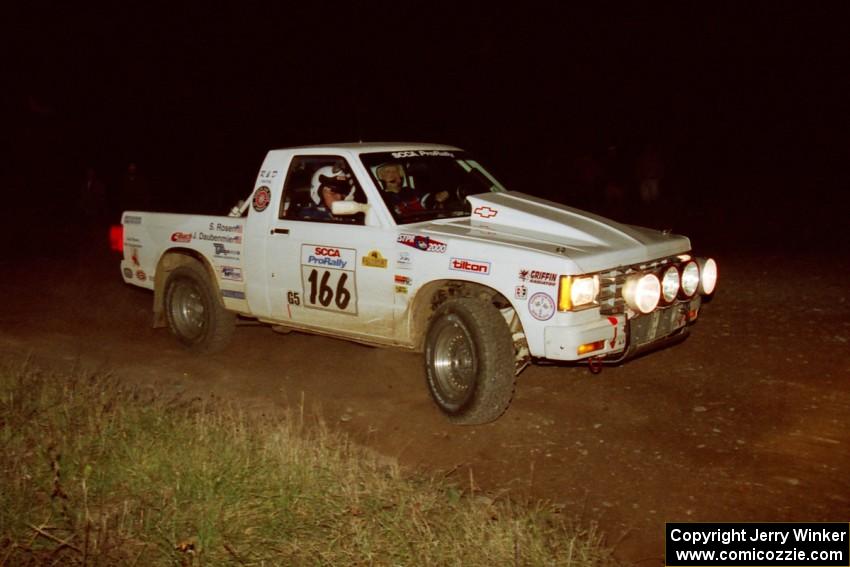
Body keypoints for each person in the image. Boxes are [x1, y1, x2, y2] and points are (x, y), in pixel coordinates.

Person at [375, 162, 448, 216]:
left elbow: (427, 199)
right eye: (388, 172)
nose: (392, 174)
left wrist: (438, 197)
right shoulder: (379, 197)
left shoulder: (411, 191)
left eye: (396, 171)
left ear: (400, 175)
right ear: (382, 177)